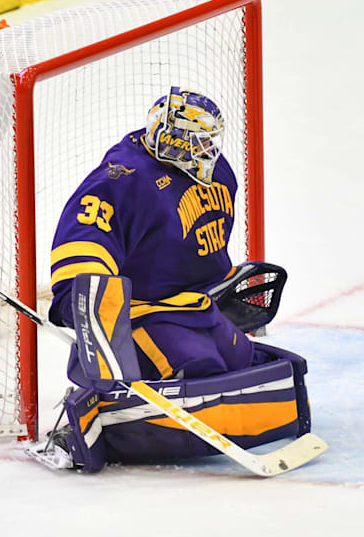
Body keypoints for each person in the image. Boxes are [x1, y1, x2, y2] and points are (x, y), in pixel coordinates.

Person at [36, 87, 311, 473]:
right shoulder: (121, 180)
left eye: (210, 141)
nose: (207, 151)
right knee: (198, 369)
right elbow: (82, 246)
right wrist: (87, 304)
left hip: (194, 307)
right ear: (171, 140)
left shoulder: (216, 173)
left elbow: (204, 247)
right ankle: (84, 420)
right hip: (143, 313)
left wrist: (221, 285)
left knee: (241, 362)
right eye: (198, 142)